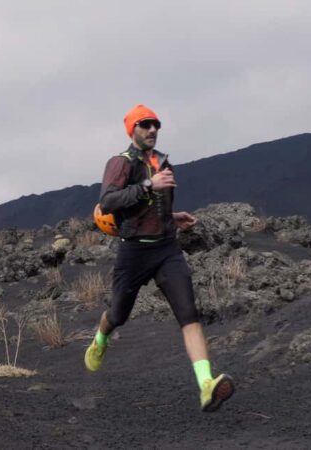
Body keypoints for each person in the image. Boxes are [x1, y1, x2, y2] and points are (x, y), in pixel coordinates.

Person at [84, 104, 235, 412]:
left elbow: (156, 207)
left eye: (155, 124)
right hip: (134, 252)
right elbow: (109, 201)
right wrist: (147, 185)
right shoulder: (120, 163)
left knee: (188, 314)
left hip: (166, 249)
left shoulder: (164, 162)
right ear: (132, 130)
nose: (152, 129)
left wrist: (172, 217)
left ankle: (206, 385)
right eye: (145, 125)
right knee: (118, 315)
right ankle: (100, 339)